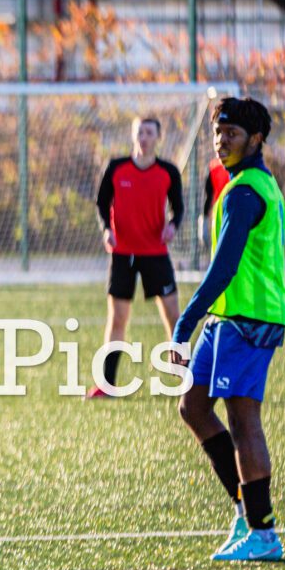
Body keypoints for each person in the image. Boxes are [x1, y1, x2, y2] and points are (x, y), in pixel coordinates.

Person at [171, 97, 285, 562]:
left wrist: (185, 320)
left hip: (249, 320)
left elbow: (224, 267)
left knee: (242, 420)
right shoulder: (243, 184)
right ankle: (244, 508)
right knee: (193, 406)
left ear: (255, 139)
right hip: (228, 317)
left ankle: (263, 532)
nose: (221, 142)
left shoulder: (246, 192)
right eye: (218, 134)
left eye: (232, 134)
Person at [92, 116, 185, 398]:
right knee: (117, 318)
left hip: (156, 253)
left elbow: (178, 208)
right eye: (139, 132)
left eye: (149, 133)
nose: (143, 137)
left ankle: (185, 379)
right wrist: (107, 230)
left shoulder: (168, 171)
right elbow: (101, 203)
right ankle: (107, 385)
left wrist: (172, 226)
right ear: (133, 136)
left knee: (173, 315)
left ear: (158, 137)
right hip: (122, 254)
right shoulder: (116, 168)